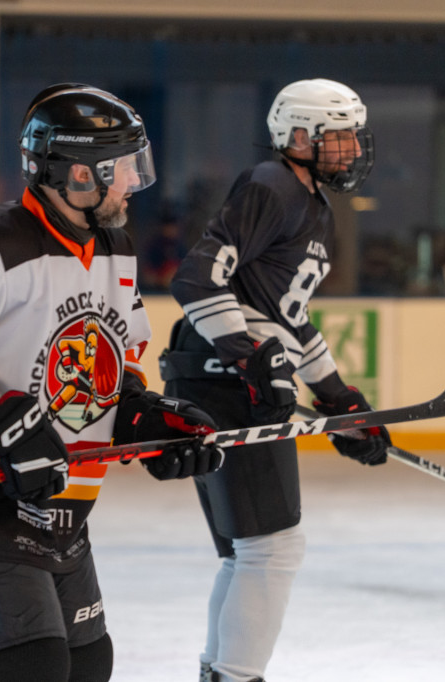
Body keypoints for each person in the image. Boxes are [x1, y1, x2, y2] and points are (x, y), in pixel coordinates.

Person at [0, 83, 224, 682]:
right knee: (34, 668)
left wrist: (143, 416)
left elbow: (117, 360)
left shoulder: (114, 245)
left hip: (59, 505)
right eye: (123, 169)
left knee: (87, 666)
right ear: (78, 174)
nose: (135, 183)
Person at [160, 78, 393, 682]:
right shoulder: (272, 185)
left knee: (247, 554)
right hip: (222, 379)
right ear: (297, 136)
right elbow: (196, 280)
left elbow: (286, 317)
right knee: (271, 550)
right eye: (338, 137)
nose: (351, 150)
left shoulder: (313, 205)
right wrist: (248, 359)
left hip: (225, 376)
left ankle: (222, 673)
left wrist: (338, 396)